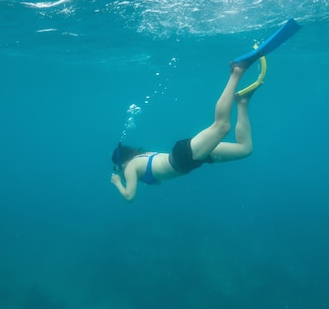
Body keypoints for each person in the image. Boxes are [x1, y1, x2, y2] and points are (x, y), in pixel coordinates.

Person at [110, 59, 257, 202]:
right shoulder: (141, 157)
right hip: (187, 158)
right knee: (245, 149)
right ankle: (242, 102)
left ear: (121, 162)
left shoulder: (130, 167)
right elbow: (157, 180)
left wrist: (117, 181)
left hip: (184, 157)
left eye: (117, 168)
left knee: (222, 126)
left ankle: (236, 72)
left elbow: (130, 196)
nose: (119, 171)